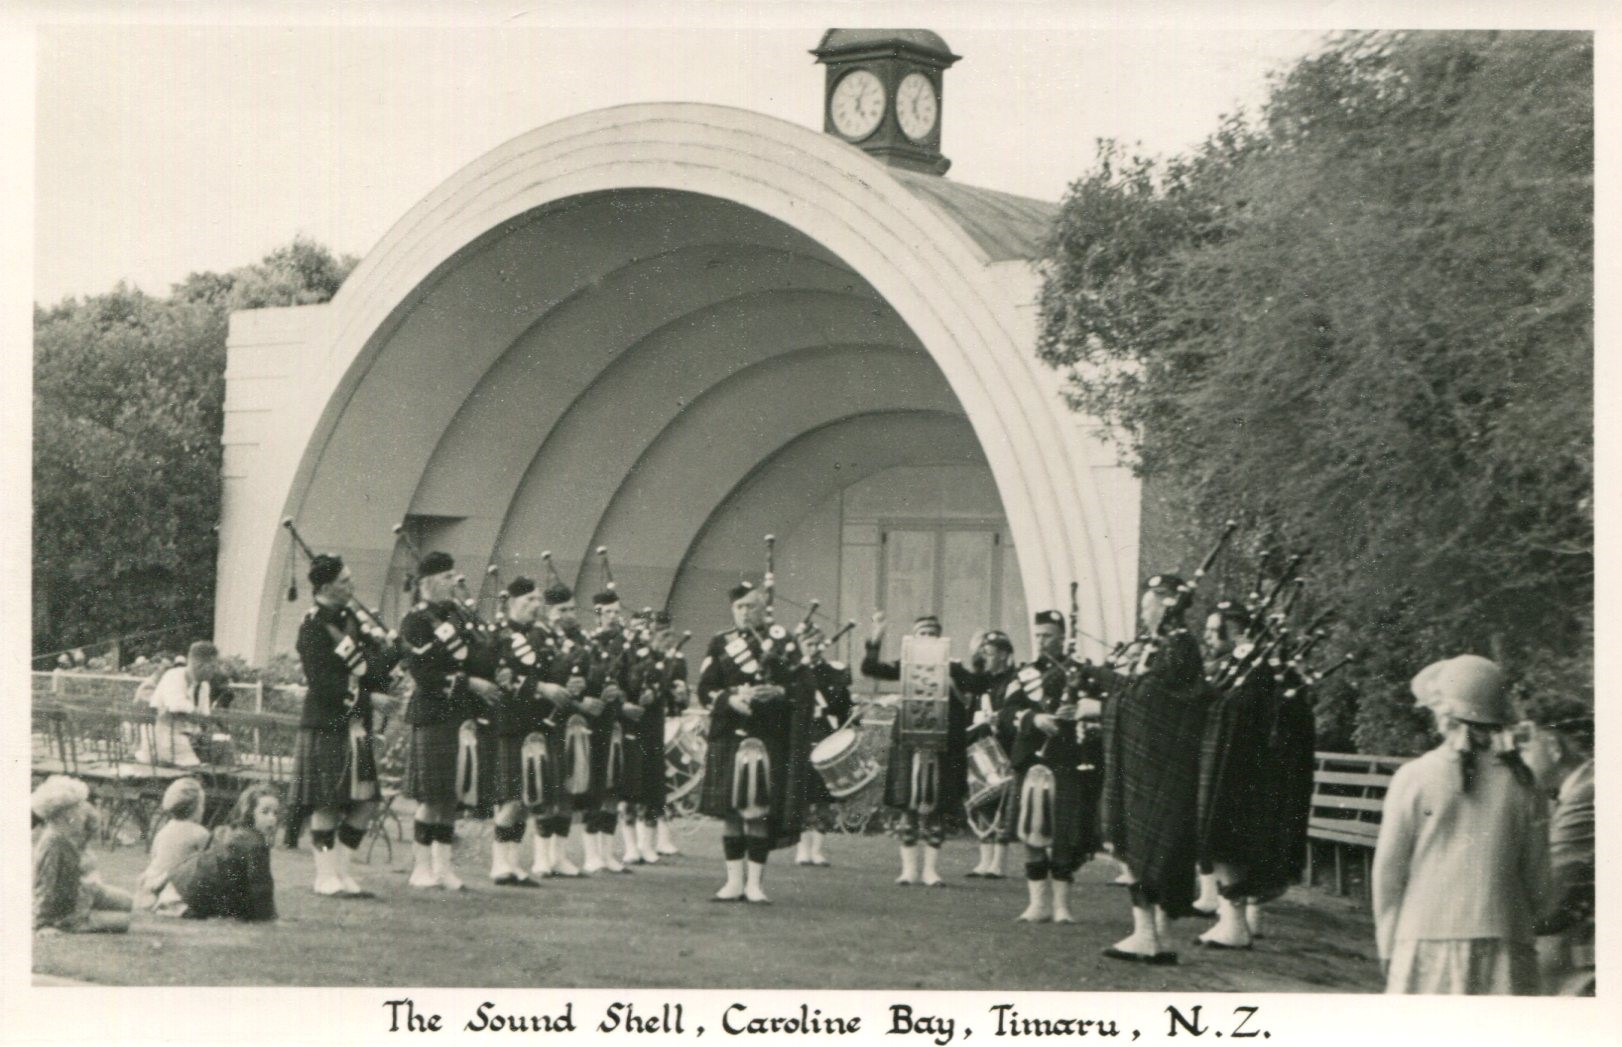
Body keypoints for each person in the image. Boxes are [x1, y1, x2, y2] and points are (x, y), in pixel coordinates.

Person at [1373, 655, 1549, 995]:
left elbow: (1388, 875)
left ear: (1443, 715)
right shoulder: (1526, 785)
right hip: (1506, 946)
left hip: (1424, 940)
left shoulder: (1414, 777)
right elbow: (1539, 884)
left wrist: (1387, 941)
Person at [1099, 574, 1208, 964]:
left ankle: (1148, 936)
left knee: (1149, 846)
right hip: (1151, 766)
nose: (1144, 615)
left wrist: (1110, 689)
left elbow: (1153, 700)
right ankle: (1157, 936)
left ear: (1166, 605)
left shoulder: (1178, 648)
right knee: (1155, 846)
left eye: (1149, 606)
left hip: (1155, 767)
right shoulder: (1168, 647)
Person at [696, 582, 814, 903]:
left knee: (760, 811)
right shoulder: (720, 643)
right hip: (732, 736)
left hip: (768, 737)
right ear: (732, 610)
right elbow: (704, 690)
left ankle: (755, 885)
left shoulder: (785, 642)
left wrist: (780, 693)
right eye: (739, 607)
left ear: (764, 607)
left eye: (751, 606)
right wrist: (730, 701)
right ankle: (734, 882)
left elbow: (804, 690)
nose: (745, 613)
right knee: (733, 812)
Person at [292, 554, 399, 897]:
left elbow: (372, 672)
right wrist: (371, 701)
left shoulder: (351, 619)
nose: (352, 587)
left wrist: (393, 651)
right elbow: (323, 684)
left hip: (356, 726)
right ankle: (325, 876)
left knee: (365, 802)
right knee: (327, 803)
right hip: (328, 724)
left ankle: (342, 871)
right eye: (344, 582)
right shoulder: (312, 628)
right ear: (325, 587)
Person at [399, 551, 500, 890]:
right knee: (431, 797)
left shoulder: (458, 616)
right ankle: (421, 867)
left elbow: (474, 658)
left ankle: (444, 868)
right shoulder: (415, 621)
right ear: (426, 583)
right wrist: (469, 682)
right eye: (446, 577)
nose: (453, 582)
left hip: (460, 715)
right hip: (432, 712)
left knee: (450, 797)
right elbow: (424, 673)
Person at [861, 612, 981, 887]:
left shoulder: (953, 667)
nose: (926, 638)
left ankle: (930, 870)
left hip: (942, 744)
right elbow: (870, 669)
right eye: (921, 634)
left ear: (939, 639)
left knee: (935, 807)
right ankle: (908, 870)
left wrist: (976, 657)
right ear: (914, 639)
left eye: (931, 634)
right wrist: (875, 639)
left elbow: (977, 684)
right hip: (909, 740)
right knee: (908, 806)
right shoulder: (907, 664)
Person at [1190, 600, 1280, 948]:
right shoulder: (1234, 666)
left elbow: (1246, 716)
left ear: (1239, 631)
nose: (1210, 637)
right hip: (1227, 767)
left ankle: (1236, 926)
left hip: (1241, 771)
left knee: (1230, 846)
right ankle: (1231, 922)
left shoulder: (1256, 669)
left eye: (1217, 630)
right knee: (1222, 847)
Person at [1001, 610, 1101, 923]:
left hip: (1068, 761)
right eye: (1038, 635)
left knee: (1065, 835)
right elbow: (1007, 714)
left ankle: (1061, 906)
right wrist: (1034, 719)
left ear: (1063, 637)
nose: (1042, 641)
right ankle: (1037, 904)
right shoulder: (1025, 674)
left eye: (1048, 636)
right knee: (1031, 832)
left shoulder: (1083, 673)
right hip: (1033, 761)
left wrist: (1082, 715)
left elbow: (1101, 713)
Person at [487, 577, 571, 886]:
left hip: (537, 725)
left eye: (537, 601)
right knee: (512, 798)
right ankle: (499, 864)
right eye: (528, 602)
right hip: (511, 724)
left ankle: (513, 864)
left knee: (526, 798)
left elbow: (549, 669)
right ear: (511, 603)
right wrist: (542, 687)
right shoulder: (499, 636)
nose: (536, 606)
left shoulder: (540, 636)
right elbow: (504, 679)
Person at [1522, 712, 1594, 995]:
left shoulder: (1588, 795)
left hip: (1583, 974)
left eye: (1526, 747)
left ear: (1553, 748)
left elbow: (1552, 901)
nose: (1521, 759)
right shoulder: (1580, 788)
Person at [33, 776, 133, 934]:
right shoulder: (54, 843)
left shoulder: (72, 833)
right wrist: (43, 923)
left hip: (87, 891)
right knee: (125, 922)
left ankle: (92, 908)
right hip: (71, 909)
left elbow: (93, 824)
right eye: (78, 806)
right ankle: (72, 921)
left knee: (128, 901)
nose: (85, 808)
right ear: (64, 813)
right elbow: (46, 885)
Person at [168, 784, 282, 922]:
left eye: (275, 813)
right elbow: (261, 886)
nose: (272, 818)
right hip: (190, 899)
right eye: (265, 812)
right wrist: (269, 917)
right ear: (250, 813)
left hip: (176, 886)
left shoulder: (228, 831)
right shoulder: (255, 844)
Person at [795, 625, 853, 867]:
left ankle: (817, 849)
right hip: (800, 736)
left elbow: (843, 708)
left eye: (817, 643)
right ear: (800, 645)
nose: (814, 648)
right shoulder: (794, 672)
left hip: (825, 737)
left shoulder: (834, 672)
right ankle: (801, 848)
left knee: (822, 795)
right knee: (801, 795)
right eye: (808, 644)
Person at [963, 630, 1019, 878]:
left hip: (1003, 746)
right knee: (982, 801)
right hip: (980, 745)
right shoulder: (981, 681)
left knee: (1001, 803)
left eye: (991, 652)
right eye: (984, 652)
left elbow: (1012, 713)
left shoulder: (1014, 680)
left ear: (1005, 654)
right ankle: (984, 861)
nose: (987, 656)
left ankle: (999, 863)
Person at [143, 641, 229, 766]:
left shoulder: (204, 686)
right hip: (164, 736)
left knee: (223, 747)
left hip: (186, 738)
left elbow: (203, 717)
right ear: (200, 665)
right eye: (213, 666)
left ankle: (227, 780)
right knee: (198, 767)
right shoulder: (174, 676)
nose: (215, 671)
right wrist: (203, 720)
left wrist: (207, 726)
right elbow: (177, 707)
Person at [136, 777, 210, 912]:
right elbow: (206, 864)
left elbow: (154, 857)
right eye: (202, 805)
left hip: (150, 882)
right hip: (172, 885)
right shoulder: (200, 833)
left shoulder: (164, 830)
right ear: (196, 808)